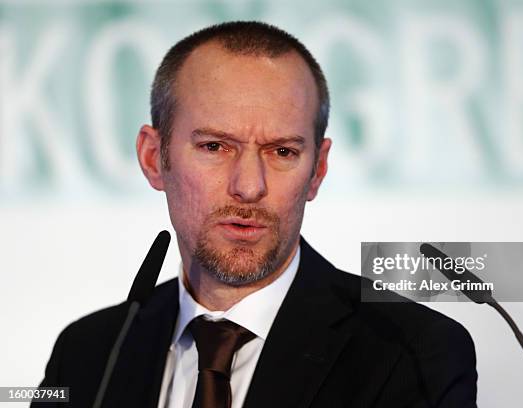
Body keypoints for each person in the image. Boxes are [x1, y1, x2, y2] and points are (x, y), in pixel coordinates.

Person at [36, 21, 477, 407]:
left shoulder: (412, 352)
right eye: (214, 147)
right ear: (154, 158)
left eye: (282, 151)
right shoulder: (88, 353)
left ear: (317, 171)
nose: (249, 186)